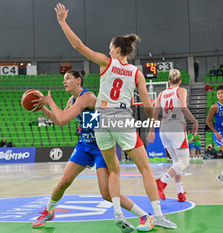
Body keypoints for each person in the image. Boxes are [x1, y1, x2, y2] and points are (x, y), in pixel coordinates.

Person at [52, 3, 176, 231]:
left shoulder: (105, 63)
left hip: (101, 119)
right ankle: (157, 215)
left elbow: (78, 45)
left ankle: (118, 212)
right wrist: (154, 117)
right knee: (146, 169)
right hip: (121, 118)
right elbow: (148, 107)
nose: (109, 51)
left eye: (111, 48)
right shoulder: (136, 73)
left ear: (117, 50)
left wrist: (62, 21)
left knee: (114, 168)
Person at [32, 70, 152, 231]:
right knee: (63, 182)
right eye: (63, 79)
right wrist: (43, 109)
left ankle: (145, 215)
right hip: (84, 146)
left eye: (67, 78)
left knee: (106, 194)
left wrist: (49, 102)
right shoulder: (72, 100)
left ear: (78, 80)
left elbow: (62, 118)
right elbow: (60, 122)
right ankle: (48, 211)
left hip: (102, 147)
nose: (64, 82)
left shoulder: (88, 97)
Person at [148, 69, 198, 202]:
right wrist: (194, 120)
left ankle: (180, 193)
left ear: (169, 81)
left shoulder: (161, 94)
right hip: (176, 127)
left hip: (163, 129)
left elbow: (155, 113)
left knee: (177, 163)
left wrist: (152, 130)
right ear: (180, 81)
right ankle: (162, 182)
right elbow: (182, 107)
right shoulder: (181, 90)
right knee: (184, 161)